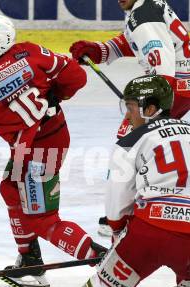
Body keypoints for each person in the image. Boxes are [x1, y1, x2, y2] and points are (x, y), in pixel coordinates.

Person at [0, 14, 107, 287]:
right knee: (11, 189)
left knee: (43, 221)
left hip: (34, 152)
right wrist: (56, 95)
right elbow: (77, 77)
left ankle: (104, 261)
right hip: (55, 135)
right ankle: (30, 260)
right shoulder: (32, 51)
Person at [52, 75, 190, 287]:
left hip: (150, 232)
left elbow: (118, 200)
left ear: (151, 109)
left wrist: (117, 235)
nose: (126, 116)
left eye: (130, 107)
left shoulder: (131, 140)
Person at [69, 0, 190, 236]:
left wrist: (151, 107)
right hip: (182, 85)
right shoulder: (146, 7)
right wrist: (100, 50)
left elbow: (162, 67)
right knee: (149, 140)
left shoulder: (144, 16)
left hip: (173, 87)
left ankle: (122, 217)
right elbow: (132, 40)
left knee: (129, 143)